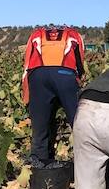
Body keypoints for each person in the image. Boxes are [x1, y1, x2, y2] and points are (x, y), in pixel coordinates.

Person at [22, 24, 86, 167]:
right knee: (78, 123)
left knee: (40, 126)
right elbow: (80, 64)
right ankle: (85, 164)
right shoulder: (74, 34)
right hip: (65, 75)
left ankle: (40, 166)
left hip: (37, 76)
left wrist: (26, 93)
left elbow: (26, 65)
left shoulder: (36, 34)